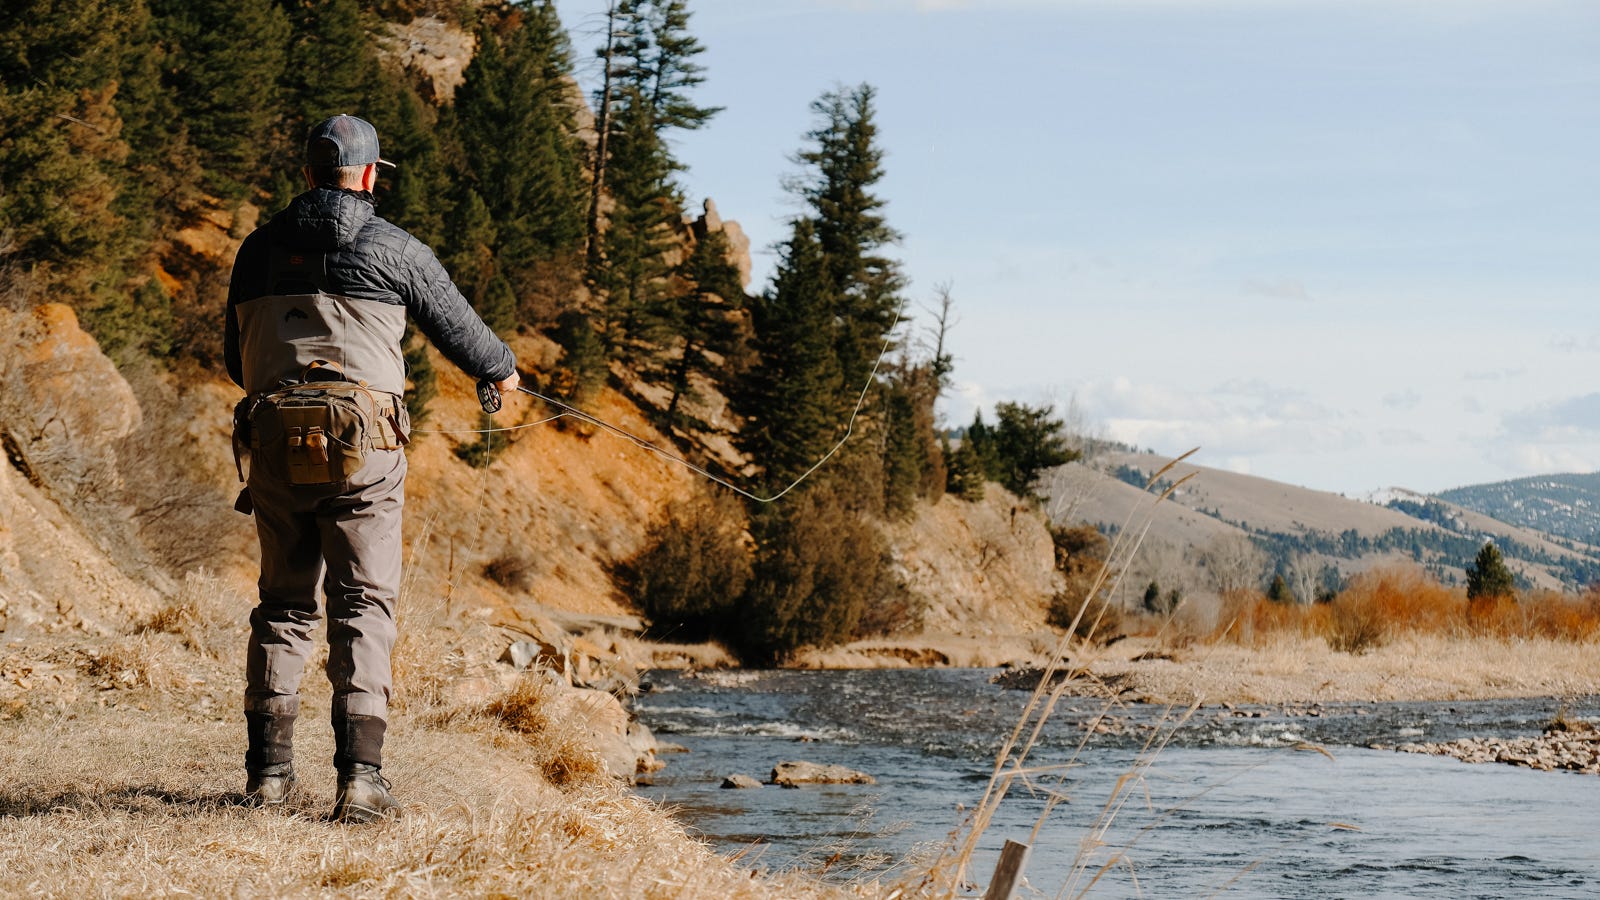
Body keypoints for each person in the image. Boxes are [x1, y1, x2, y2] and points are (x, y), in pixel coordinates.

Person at [225, 114, 519, 823]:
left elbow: (234, 360)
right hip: (367, 453)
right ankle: (360, 782)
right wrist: (502, 373)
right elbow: (468, 336)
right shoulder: (396, 248)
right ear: (367, 177)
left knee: (283, 605)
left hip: (271, 444)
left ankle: (268, 779)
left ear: (306, 175)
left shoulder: (257, 250)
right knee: (362, 606)